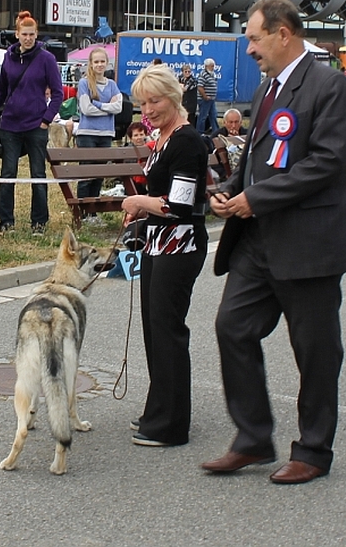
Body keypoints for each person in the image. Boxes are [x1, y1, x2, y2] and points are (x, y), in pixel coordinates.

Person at [204, 0, 346, 485]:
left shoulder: (329, 86)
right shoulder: (268, 90)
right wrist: (230, 190)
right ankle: (252, 438)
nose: (248, 48)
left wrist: (257, 198)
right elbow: (256, 158)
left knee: (315, 350)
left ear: (283, 34)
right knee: (233, 327)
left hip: (307, 243)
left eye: (254, 38)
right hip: (257, 240)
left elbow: (327, 163)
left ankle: (313, 450)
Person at [120, 65, 209, 448]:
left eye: (154, 101)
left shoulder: (188, 141)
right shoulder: (163, 138)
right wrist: (143, 209)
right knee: (154, 329)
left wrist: (139, 200)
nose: (148, 111)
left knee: (168, 330)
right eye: (142, 104)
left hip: (181, 244)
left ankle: (172, 423)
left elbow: (181, 206)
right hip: (158, 243)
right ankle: (159, 409)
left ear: (173, 98)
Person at [0, 11, 62, 235]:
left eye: (32, 34)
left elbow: (58, 94)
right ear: (17, 34)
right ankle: (6, 221)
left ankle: (39, 222)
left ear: (36, 35)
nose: (28, 38)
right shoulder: (9, 57)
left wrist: (46, 120)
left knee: (37, 174)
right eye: (24, 34)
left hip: (36, 125)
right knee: (7, 174)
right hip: (10, 125)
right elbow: (1, 91)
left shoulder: (46, 59)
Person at [73, 47, 122, 225]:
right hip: (88, 134)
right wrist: (107, 107)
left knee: (99, 174)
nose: (100, 65)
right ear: (91, 64)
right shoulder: (84, 84)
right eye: (96, 62)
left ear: (107, 63)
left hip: (106, 134)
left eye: (102, 61)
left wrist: (98, 105)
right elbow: (86, 109)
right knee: (87, 173)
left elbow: (119, 108)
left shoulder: (112, 85)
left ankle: (93, 212)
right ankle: (82, 212)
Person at [195, 58, 219, 134]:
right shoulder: (203, 74)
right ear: (206, 66)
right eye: (211, 66)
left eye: (213, 66)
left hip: (211, 99)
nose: (213, 68)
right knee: (202, 117)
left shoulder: (211, 74)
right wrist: (205, 96)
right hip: (205, 99)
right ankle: (199, 132)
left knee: (213, 115)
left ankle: (216, 132)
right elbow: (200, 87)